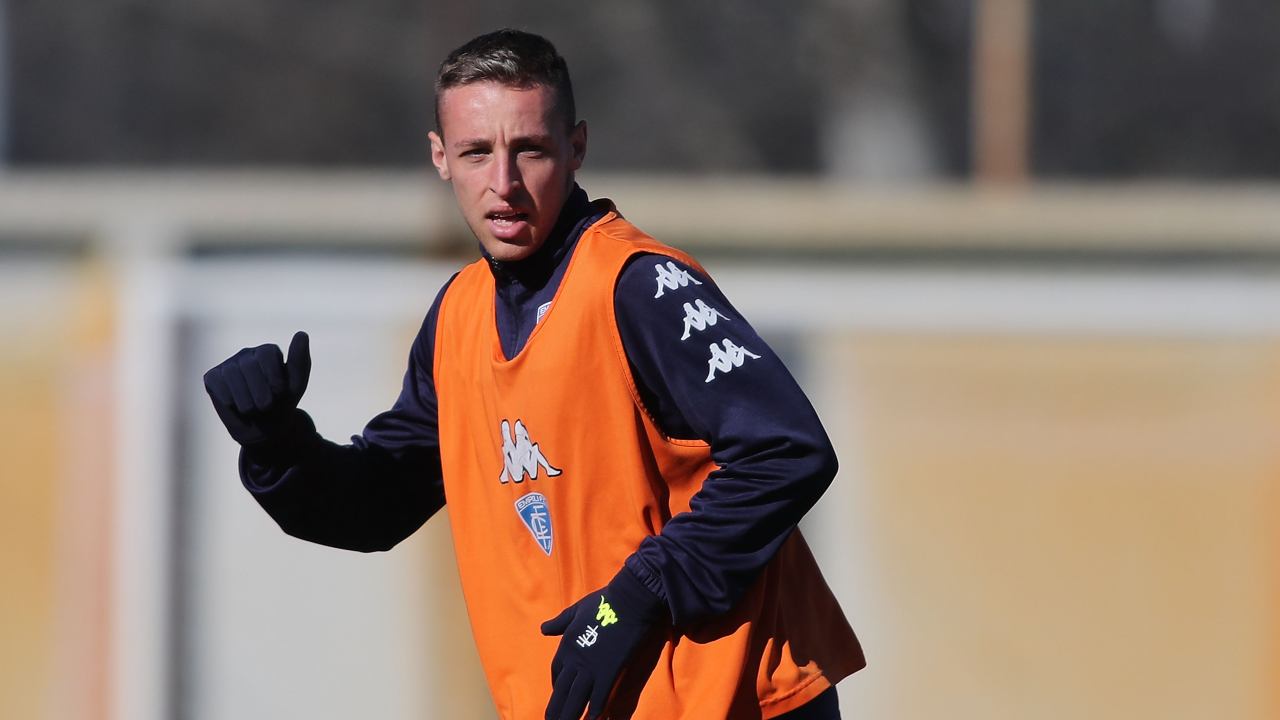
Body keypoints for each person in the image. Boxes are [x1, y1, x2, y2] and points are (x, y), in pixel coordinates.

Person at [202, 29, 864, 720]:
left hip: (735, 705)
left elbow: (786, 451)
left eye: (531, 151)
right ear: (440, 157)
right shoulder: (459, 318)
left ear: (576, 148)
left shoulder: (636, 286)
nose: (504, 184)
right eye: (477, 153)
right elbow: (378, 504)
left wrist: (635, 596)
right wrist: (278, 446)